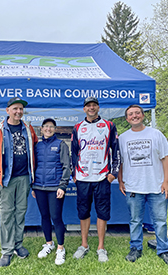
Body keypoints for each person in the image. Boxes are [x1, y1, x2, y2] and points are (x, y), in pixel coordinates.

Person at [118, 104, 168, 267]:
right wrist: (121, 180)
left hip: (156, 186)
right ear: (127, 118)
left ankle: (163, 250)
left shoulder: (156, 134)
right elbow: (121, 162)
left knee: (160, 221)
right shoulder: (123, 138)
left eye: (137, 113)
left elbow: (166, 158)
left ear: (143, 115)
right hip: (133, 187)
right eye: (131, 114)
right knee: (135, 220)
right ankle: (135, 248)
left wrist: (166, 182)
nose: (134, 116)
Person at [0, 97, 38, 267]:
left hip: (24, 178)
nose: (18, 112)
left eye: (21, 109)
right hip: (6, 180)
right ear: (7, 110)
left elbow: (35, 148)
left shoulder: (28, 128)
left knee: (20, 213)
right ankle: (6, 251)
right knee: (7, 214)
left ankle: (18, 244)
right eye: (15, 108)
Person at [71, 96, 120, 262]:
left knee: (102, 212)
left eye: (94, 105)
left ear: (98, 108)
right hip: (83, 177)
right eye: (88, 106)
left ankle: (101, 247)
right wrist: (74, 175)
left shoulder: (109, 125)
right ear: (84, 109)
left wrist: (114, 173)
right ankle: (84, 245)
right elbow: (73, 153)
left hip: (102, 177)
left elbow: (116, 150)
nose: (91, 108)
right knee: (83, 212)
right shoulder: (77, 127)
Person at [31, 118, 71, 265]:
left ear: (55, 129)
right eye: (46, 126)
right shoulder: (37, 146)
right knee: (44, 216)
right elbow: (33, 166)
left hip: (55, 188)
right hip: (39, 187)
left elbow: (67, 166)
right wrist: (33, 186)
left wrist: (62, 186)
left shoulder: (61, 144)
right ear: (41, 129)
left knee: (56, 217)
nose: (48, 129)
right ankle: (49, 244)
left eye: (51, 127)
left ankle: (60, 248)